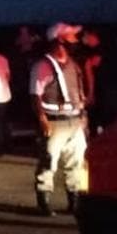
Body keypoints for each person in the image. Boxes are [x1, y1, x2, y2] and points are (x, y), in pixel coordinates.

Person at [30, 22, 86, 216]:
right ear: (59, 39)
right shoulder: (43, 66)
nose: (76, 40)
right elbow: (35, 95)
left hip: (75, 121)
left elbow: (79, 91)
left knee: (76, 162)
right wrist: (42, 119)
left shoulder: (73, 63)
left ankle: (74, 200)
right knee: (48, 162)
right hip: (54, 122)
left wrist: (83, 115)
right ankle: (44, 200)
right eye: (71, 36)